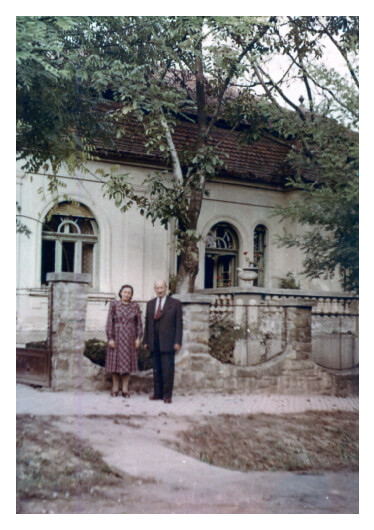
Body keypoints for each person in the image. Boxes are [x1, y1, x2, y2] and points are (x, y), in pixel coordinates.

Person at [143, 279, 183, 404]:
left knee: (168, 369)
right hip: (154, 341)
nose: (159, 290)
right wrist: (146, 341)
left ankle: (167, 395)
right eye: (157, 288)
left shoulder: (175, 303)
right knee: (156, 369)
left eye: (162, 288)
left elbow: (179, 324)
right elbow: (148, 324)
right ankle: (157, 393)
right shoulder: (150, 304)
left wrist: (177, 341)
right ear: (155, 289)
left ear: (166, 288)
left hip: (168, 341)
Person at [105, 284, 143, 397]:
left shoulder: (135, 306)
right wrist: (110, 338)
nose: (126, 294)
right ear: (121, 292)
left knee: (127, 365)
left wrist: (138, 338)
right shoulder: (114, 305)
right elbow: (109, 322)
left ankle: (125, 390)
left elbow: (139, 324)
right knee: (115, 364)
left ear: (131, 295)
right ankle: (115, 389)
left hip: (129, 338)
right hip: (116, 336)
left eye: (129, 293)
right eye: (125, 292)